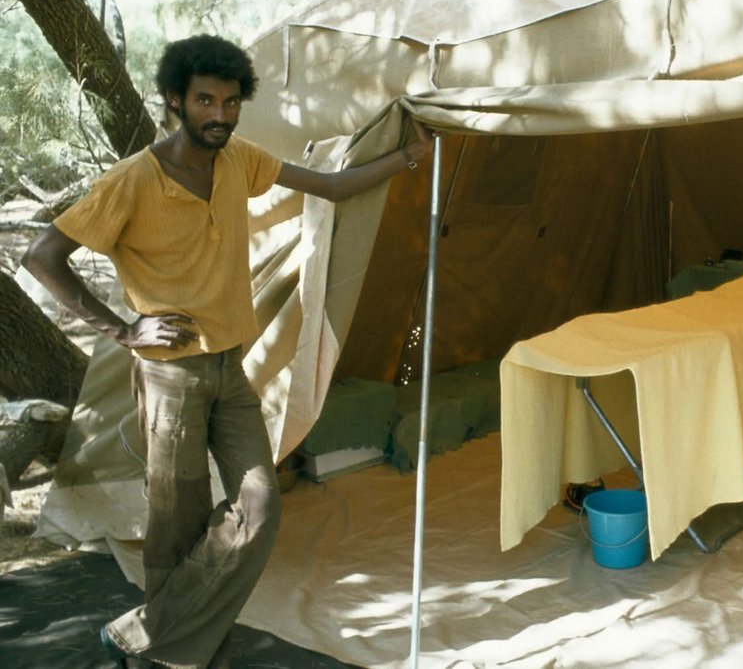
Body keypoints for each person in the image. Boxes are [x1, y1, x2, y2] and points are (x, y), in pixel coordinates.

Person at [21, 34, 434, 669]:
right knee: (178, 526)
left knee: (259, 510)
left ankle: (143, 632)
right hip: (169, 377)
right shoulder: (132, 181)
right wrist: (124, 331)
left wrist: (407, 156)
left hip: (229, 369)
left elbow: (332, 184)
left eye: (232, 102)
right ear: (174, 101)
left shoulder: (239, 159)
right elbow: (42, 257)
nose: (221, 114)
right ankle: (189, 654)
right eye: (207, 100)